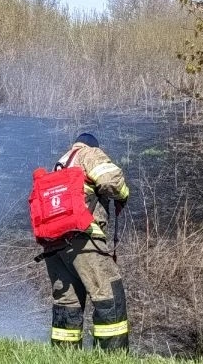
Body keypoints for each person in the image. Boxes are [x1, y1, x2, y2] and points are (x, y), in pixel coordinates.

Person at [42, 132, 130, 351]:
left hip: (55, 245)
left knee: (67, 302)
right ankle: (113, 355)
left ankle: (64, 355)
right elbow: (112, 181)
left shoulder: (60, 164)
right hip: (84, 239)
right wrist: (123, 194)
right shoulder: (89, 154)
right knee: (109, 293)